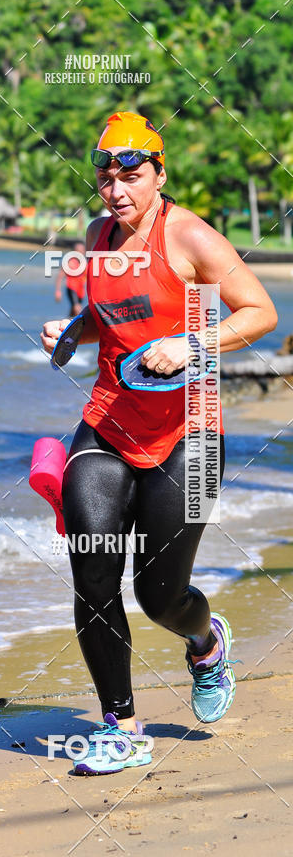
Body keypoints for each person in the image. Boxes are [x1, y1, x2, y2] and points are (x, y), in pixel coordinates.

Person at [40, 111, 278, 775]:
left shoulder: (191, 236)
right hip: (108, 422)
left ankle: (204, 641)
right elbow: (110, 319)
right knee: (92, 572)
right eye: (105, 174)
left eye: (131, 174)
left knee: (159, 595)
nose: (116, 188)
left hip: (191, 435)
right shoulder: (95, 237)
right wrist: (70, 331)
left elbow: (260, 311)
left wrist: (192, 342)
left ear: (159, 174)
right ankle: (120, 726)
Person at [54, 242, 88, 316]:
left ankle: (68, 325)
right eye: (78, 251)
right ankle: (80, 326)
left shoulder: (85, 264)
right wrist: (58, 291)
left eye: (82, 251)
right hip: (71, 288)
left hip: (81, 292)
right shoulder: (69, 263)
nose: (80, 253)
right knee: (77, 309)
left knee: (73, 311)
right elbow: (60, 277)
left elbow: (88, 279)